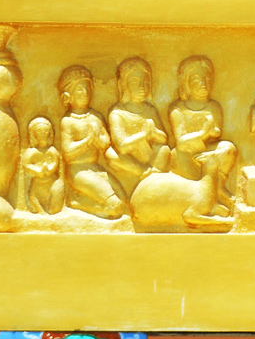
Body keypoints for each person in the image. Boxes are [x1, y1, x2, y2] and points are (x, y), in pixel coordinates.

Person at [168, 56, 236, 215]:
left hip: (206, 154)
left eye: (207, 78)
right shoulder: (177, 108)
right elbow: (181, 142)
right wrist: (203, 133)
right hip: (186, 157)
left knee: (229, 148)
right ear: (185, 83)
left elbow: (217, 133)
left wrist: (212, 132)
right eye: (197, 79)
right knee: (178, 153)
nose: (203, 83)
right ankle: (201, 198)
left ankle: (218, 186)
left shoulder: (213, 107)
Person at [58, 64, 126, 219]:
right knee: (115, 207)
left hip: (95, 168)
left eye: (87, 88)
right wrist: (89, 140)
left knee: (125, 201)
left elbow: (105, 143)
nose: (85, 92)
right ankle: (77, 204)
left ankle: (82, 202)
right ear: (68, 96)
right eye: (79, 89)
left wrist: (99, 140)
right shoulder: (68, 121)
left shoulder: (95, 116)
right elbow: (67, 153)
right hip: (78, 171)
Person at [108, 57, 170, 196]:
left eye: (145, 82)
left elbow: (164, 139)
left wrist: (153, 133)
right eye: (135, 82)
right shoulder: (117, 112)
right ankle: (146, 173)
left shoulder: (150, 110)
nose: (141, 87)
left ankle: (156, 178)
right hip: (130, 161)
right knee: (111, 155)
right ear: (123, 85)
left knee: (164, 150)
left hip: (148, 154)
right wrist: (143, 135)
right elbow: (121, 146)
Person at [22, 116, 64, 215]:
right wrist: (37, 170)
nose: (43, 134)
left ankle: (52, 211)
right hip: (37, 183)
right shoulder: (31, 152)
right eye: (39, 131)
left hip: (52, 183)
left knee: (55, 209)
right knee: (32, 196)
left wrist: (48, 169)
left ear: (50, 133)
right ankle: (41, 212)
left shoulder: (52, 150)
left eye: (45, 131)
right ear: (33, 134)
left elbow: (55, 163)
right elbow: (26, 164)